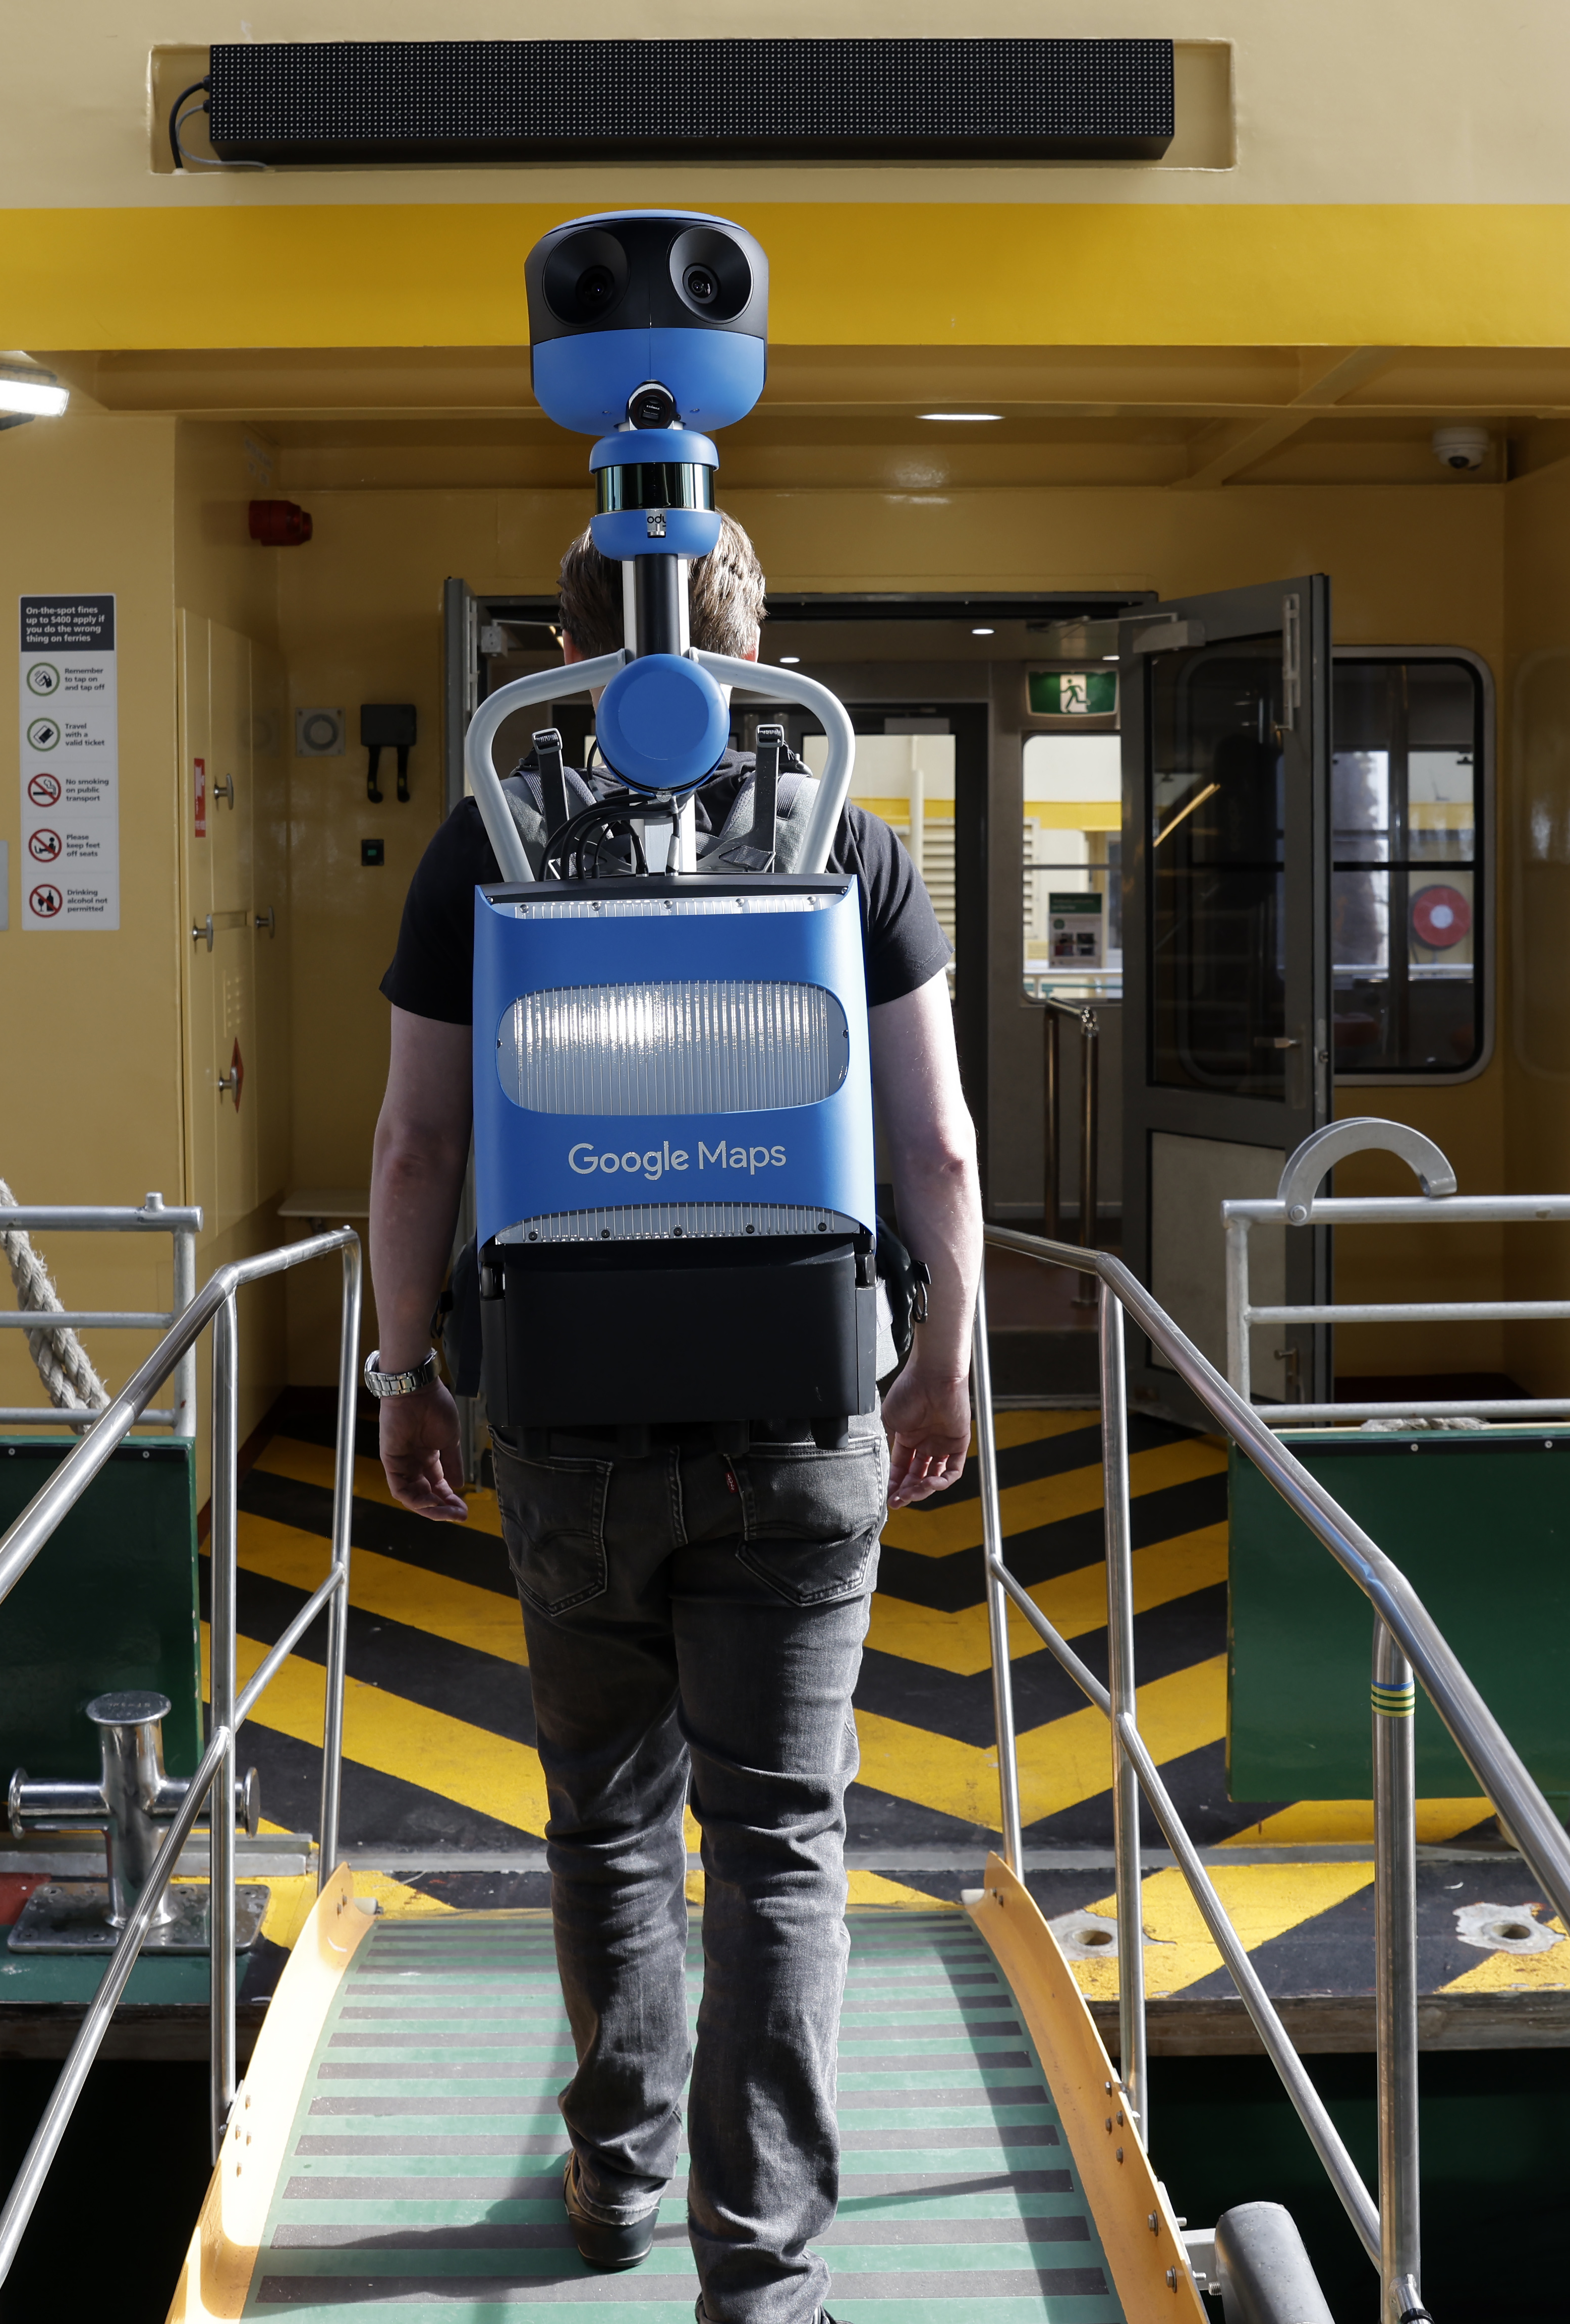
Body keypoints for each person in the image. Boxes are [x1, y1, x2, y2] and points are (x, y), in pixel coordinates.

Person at [362, 513, 981, 2324]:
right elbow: (933, 1143)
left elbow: (418, 1144)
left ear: (562, 655)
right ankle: (765, 2274)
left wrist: (407, 1375)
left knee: (608, 1818)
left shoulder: (485, 846)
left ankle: (618, 2178)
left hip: (563, 1417)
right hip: (800, 1411)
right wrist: (940, 1358)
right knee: (780, 1837)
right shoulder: (853, 848)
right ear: (751, 642)